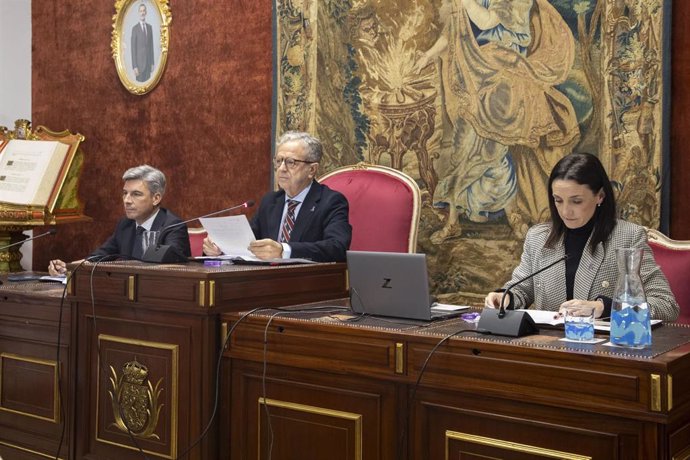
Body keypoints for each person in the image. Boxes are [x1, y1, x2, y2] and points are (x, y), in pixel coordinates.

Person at [484, 152, 679, 321]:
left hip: (606, 353)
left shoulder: (628, 237)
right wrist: (506, 298)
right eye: (558, 200)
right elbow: (522, 289)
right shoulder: (538, 237)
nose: (566, 211)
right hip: (548, 349)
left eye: (576, 201)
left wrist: (605, 308)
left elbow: (666, 306)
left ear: (600, 196)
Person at [202, 131, 352, 262]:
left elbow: (336, 247)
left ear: (311, 170)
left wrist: (284, 250)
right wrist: (219, 248)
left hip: (306, 284)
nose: (281, 169)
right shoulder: (271, 201)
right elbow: (248, 241)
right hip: (266, 282)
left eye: (290, 162)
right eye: (279, 161)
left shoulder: (331, 202)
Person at [48, 165, 190, 275]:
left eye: (136, 194)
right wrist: (67, 267)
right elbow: (100, 256)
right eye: (125, 193)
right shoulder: (125, 225)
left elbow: (177, 271)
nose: (127, 200)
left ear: (156, 198)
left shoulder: (173, 226)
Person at [131, 3, 154, 82]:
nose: (142, 13)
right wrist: (134, 66)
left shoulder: (150, 28)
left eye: (144, 11)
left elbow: (151, 47)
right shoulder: (135, 29)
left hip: (148, 64)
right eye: (141, 11)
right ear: (138, 13)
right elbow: (133, 49)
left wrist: (152, 63)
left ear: (146, 12)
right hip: (139, 66)